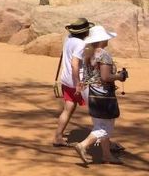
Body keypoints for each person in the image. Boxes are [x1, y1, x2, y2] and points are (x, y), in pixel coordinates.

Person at [74, 25, 129, 165]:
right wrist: (119, 76)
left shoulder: (88, 53)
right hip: (102, 93)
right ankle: (83, 145)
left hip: (90, 92)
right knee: (106, 127)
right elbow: (105, 77)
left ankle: (107, 155)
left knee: (99, 123)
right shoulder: (104, 55)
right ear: (102, 39)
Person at [53, 17, 92, 147]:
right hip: (77, 81)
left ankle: (58, 136)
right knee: (98, 111)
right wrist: (78, 84)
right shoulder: (80, 44)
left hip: (66, 79)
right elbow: (75, 64)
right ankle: (106, 143)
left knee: (68, 108)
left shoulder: (68, 38)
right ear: (84, 32)